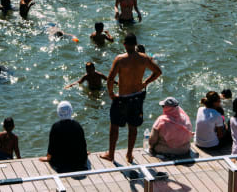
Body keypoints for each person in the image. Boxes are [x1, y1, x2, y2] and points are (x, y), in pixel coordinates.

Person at [102, 33, 163, 163]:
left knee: (114, 126)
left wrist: (111, 94)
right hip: (137, 97)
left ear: (124, 44)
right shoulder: (144, 58)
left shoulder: (120, 59)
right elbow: (158, 72)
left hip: (123, 98)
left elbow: (110, 79)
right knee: (133, 127)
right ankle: (129, 155)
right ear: (135, 44)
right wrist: (145, 82)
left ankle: (111, 154)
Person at [39, 101, 89, 173]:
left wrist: (48, 158)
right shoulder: (77, 125)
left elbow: (51, 147)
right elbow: (83, 143)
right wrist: (84, 152)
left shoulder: (55, 127)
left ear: (58, 112)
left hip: (61, 162)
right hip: (78, 161)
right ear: (71, 111)